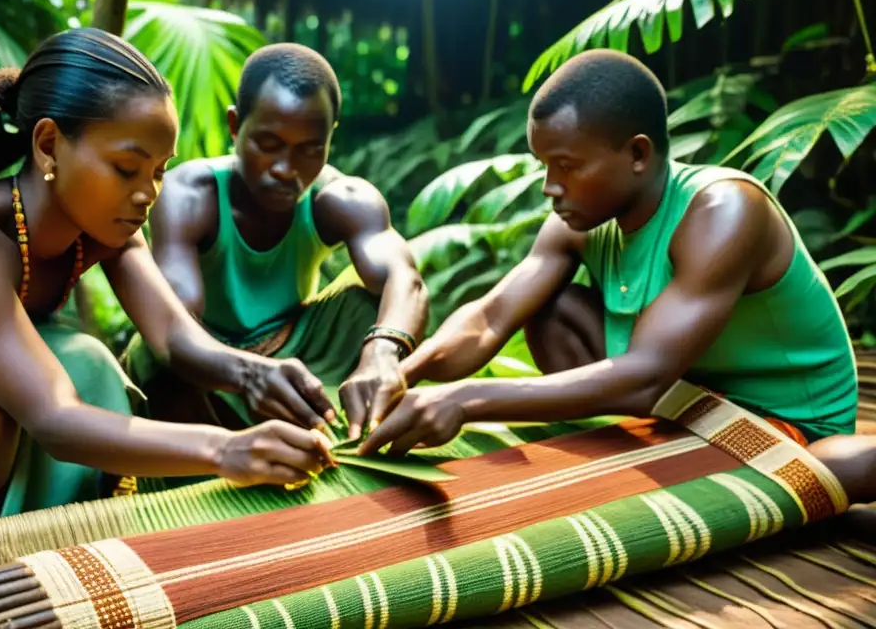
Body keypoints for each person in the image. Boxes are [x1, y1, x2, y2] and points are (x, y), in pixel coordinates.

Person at [0, 29, 335, 624]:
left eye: (159, 171)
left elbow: (174, 338)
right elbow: (54, 418)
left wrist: (257, 372)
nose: (147, 194)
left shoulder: (104, 223)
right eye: (127, 167)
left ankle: (33, 581)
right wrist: (226, 449)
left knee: (87, 360)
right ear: (50, 145)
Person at [358, 49, 876, 506]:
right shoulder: (579, 220)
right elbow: (493, 316)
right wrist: (405, 372)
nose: (549, 188)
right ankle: (659, 450)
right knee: (549, 308)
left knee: (814, 476)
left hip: (779, 419)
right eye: (544, 166)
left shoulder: (723, 211)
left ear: (637, 154)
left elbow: (646, 373)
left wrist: (465, 399)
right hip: (679, 401)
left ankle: (810, 463)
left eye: (565, 166)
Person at [124, 43, 428, 446]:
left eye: (309, 150)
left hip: (295, 359)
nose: (286, 169)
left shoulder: (340, 199)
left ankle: (348, 428)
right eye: (268, 145)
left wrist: (383, 353)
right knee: (155, 355)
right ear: (236, 126)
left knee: (369, 305)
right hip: (208, 363)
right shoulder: (191, 195)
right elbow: (174, 328)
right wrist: (249, 373)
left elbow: (406, 281)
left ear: (329, 138)